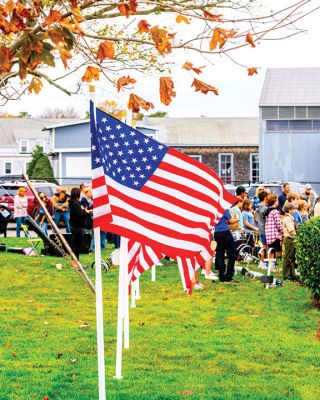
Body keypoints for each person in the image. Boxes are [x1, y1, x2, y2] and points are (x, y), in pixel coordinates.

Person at [214, 209, 238, 282]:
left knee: (220, 254)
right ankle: (229, 276)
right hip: (224, 231)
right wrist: (237, 218)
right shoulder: (223, 208)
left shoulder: (212, 208)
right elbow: (231, 221)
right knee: (232, 254)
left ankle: (221, 276)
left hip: (216, 232)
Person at [69, 187, 88, 260]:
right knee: (77, 245)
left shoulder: (73, 203)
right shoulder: (76, 204)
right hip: (77, 227)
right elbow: (81, 214)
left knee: (75, 245)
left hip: (74, 226)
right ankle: (75, 261)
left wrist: (84, 211)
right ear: (77, 195)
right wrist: (85, 212)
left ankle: (75, 261)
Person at [265, 194, 283, 270]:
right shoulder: (275, 211)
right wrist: (283, 230)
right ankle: (272, 267)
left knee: (271, 250)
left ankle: (271, 266)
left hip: (269, 234)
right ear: (275, 201)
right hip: (274, 234)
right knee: (276, 251)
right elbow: (278, 223)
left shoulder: (268, 210)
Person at [282, 203, 298, 281]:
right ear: (290, 210)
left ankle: (292, 274)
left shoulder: (290, 217)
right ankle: (286, 276)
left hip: (291, 239)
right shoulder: (287, 219)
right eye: (293, 209)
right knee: (288, 257)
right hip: (289, 239)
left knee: (291, 258)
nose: (294, 210)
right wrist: (297, 237)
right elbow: (291, 230)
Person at [255, 190, 269, 269]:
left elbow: (256, 218)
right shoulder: (264, 208)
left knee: (264, 246)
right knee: (264, 246)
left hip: (260, 228)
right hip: (264, 229)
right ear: (265, 198)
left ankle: (263, 261)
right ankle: (262, 262)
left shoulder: (258, 206)